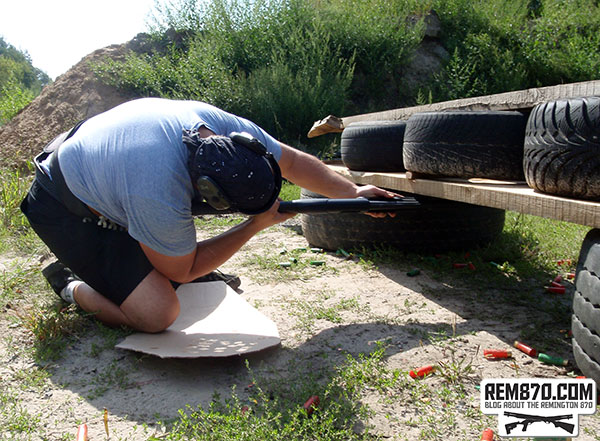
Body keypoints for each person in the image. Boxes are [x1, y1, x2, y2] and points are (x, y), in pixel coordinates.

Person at [21, 97, 397, 333]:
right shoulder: (157, 188)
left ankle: (144, 251)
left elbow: (294, 160)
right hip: (62, 205)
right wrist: (254, 224)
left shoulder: (232, 133)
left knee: (179, 271)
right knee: (157, 313)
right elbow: (180, 269)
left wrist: (352, 192)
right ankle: (68, 283)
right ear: (205, 190)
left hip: (105, 175)